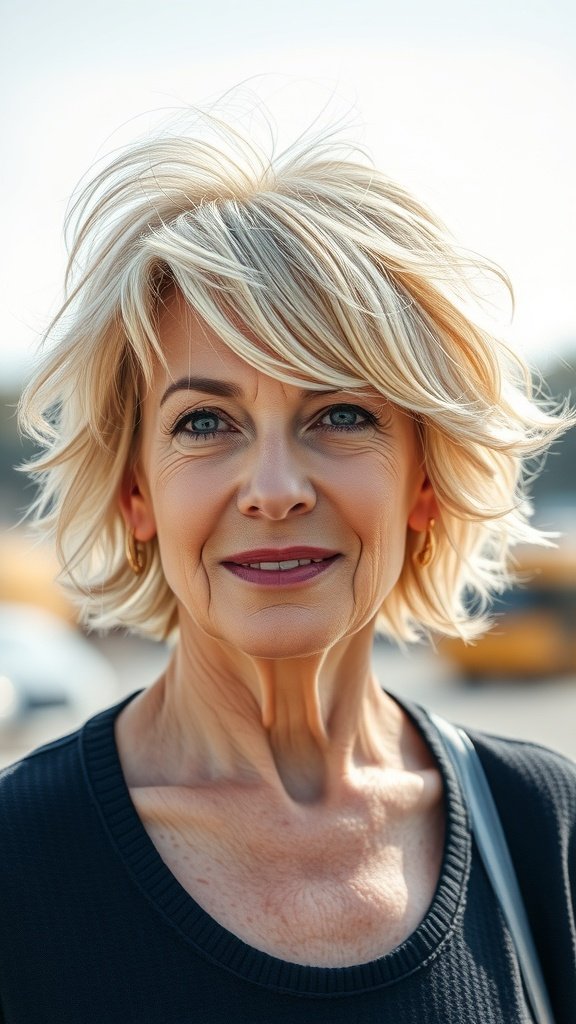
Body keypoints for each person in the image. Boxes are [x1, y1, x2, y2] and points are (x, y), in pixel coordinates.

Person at [1, 112, 575, 1024]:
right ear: (135, 493)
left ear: (425, 481)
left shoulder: (543, 826)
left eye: (341, 413)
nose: (273, 488)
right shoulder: (17, 864)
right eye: (204, 422)